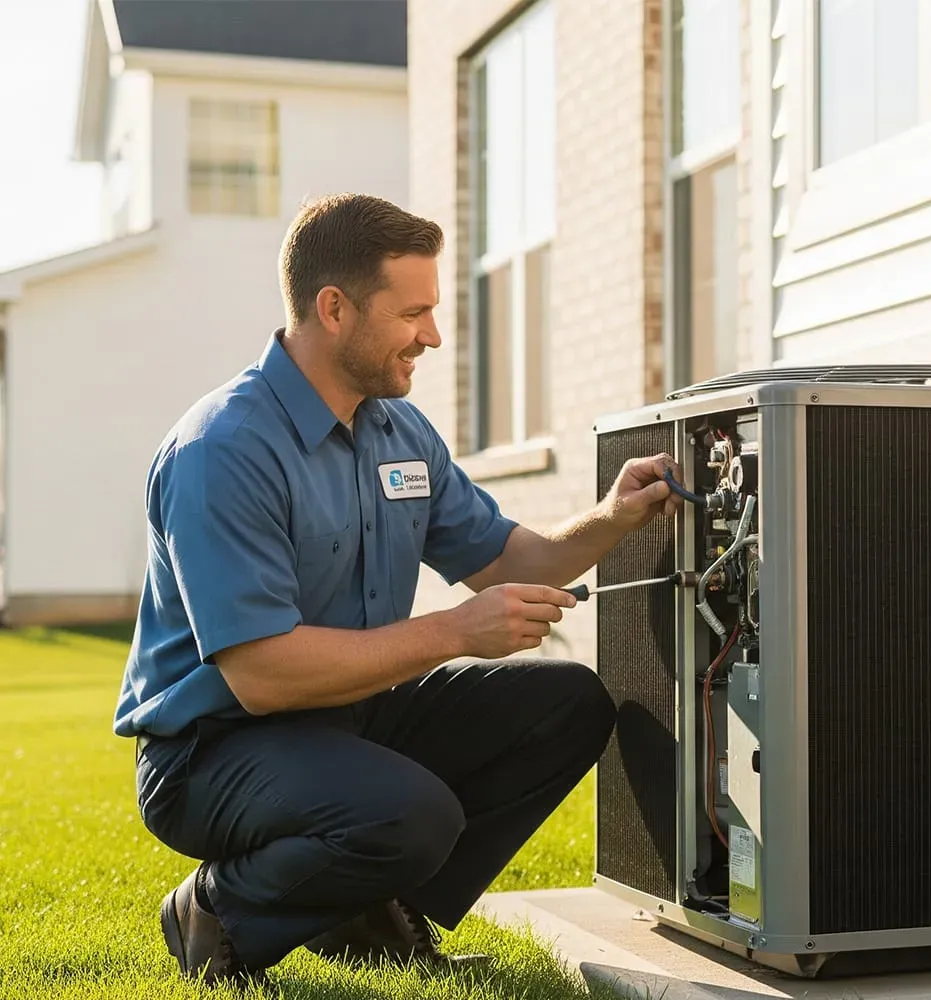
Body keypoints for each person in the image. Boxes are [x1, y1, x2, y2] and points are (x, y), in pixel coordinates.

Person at [115, 192, 682, 986]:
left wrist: (614, 517)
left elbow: (510, 559)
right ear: (335, 308)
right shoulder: (223, 450)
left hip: (352, 712)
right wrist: (453, 632)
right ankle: (218, 909)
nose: (433, 335)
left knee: (569, 706)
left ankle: (376, 915)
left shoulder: (397, 430)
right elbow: (262, 674)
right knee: (411, 813)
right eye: (413, 312)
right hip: (215, 747)